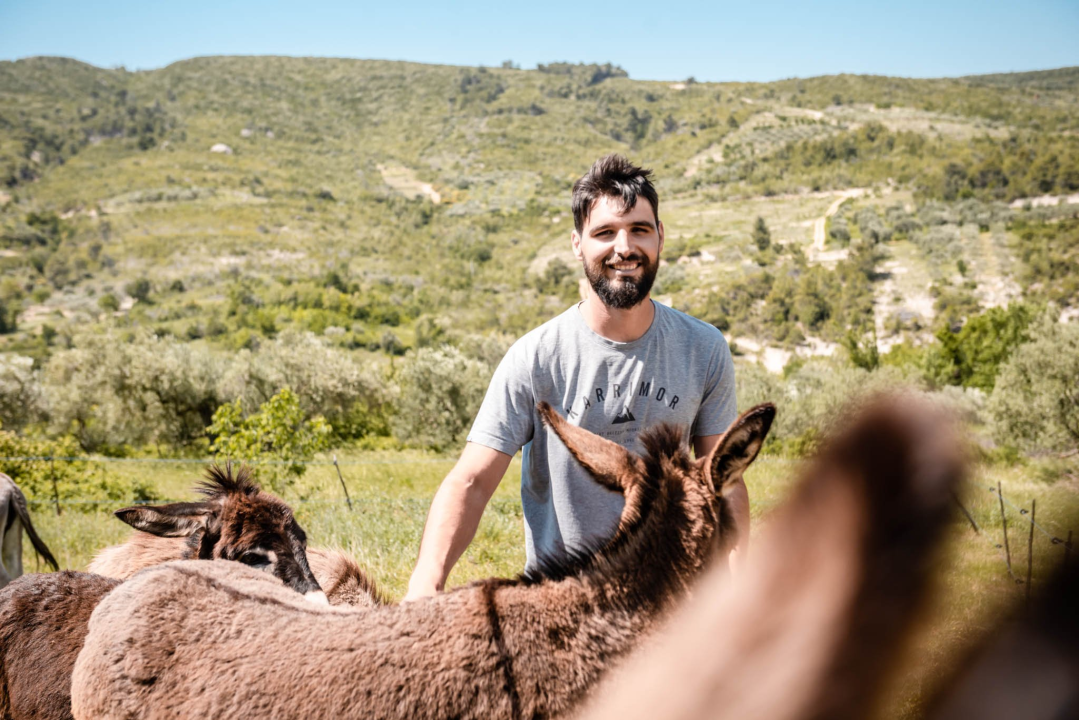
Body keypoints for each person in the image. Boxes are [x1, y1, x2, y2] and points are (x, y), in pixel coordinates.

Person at [404, 154, 741, 601]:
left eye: (639, 229)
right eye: (605, 233)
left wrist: (739, 592)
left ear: (661, 237)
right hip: (561, 606)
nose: (624, 247)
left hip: (670, 605)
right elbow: (472, 482)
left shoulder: (703, 348)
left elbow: (723, 482)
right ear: (578, 243)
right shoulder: (535, 357)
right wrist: (425, 583)